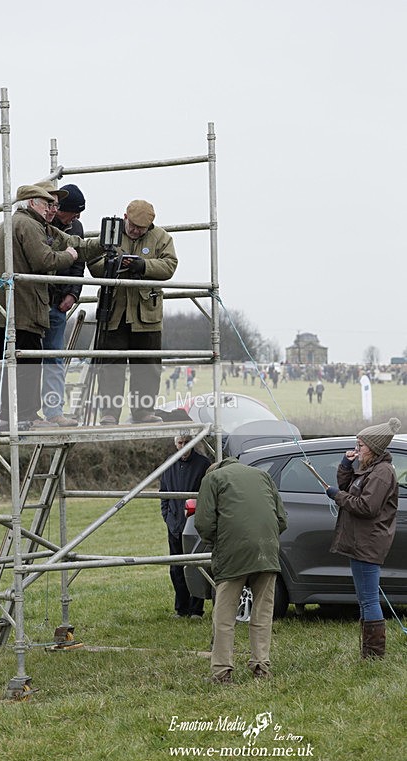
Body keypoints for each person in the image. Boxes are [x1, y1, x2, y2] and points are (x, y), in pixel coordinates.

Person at [0, 184, 103, 431]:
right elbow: (43, 260)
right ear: (32, 203)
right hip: (24, 309)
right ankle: (26, 416)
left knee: (12, 365)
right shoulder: (29, 226)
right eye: (48, 204)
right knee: (28, 365)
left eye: (54, 205)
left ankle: (7, 417)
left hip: (5, 309)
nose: (52, 209)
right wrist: (69, 256)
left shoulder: (7, 225)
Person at [195, 456, 287, 683]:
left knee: (224, 616)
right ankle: (261, 667)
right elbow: (282, 520)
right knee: (263, 613)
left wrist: (218, 541)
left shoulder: (212, 479)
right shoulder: (263, 475)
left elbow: (204, 523)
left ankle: (221, 672)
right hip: (267, 551)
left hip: (232, 554)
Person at [88, 199, 178, 425]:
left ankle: (143, 412)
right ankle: (109, 413)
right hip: (114, 312)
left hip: (146, 314)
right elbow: (93, 262)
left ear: (150, 226)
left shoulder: (162, 238)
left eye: (141, 228)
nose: (136, 231)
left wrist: (143, 266)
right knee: (110, 366)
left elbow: (169, 266)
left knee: (147, 366)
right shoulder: (110, 234)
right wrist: (116, 264)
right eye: (133, 226)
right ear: (124, 218)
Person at [326, 417, 401, 658]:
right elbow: (350, 489)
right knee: (365, 598)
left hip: (369, 542)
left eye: (361, 445)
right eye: (357, 444)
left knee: (369, 600)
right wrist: (345, 466)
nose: (357, 449)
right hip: (361, 541)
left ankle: (374, 655)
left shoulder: (382, 473)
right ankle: (369, 652)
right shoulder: (369, 467)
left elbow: (366, 506)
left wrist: (337, 496)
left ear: (375, 448)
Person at [36, 183, 86, 427]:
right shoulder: (39, 224)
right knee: (31, 358)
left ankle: (54, 411)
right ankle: (28, 414)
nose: (77, 218)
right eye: (74, 212)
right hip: (34, 301)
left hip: (58, 303)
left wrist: (73, 293)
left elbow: (79, 263)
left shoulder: (75, 227)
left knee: (54, 358)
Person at [160, 435, 211, 619]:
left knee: (196, 566)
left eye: (186, 442)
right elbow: (164, 493)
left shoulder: (203, 464)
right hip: (174, 524)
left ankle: (196, 609)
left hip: (194, 524)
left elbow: (208, 493)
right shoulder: (169, 464)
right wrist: (167, 516)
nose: (183, 446)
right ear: (175, 444)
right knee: (176, 568)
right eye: (180, 443)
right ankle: (181, 609)